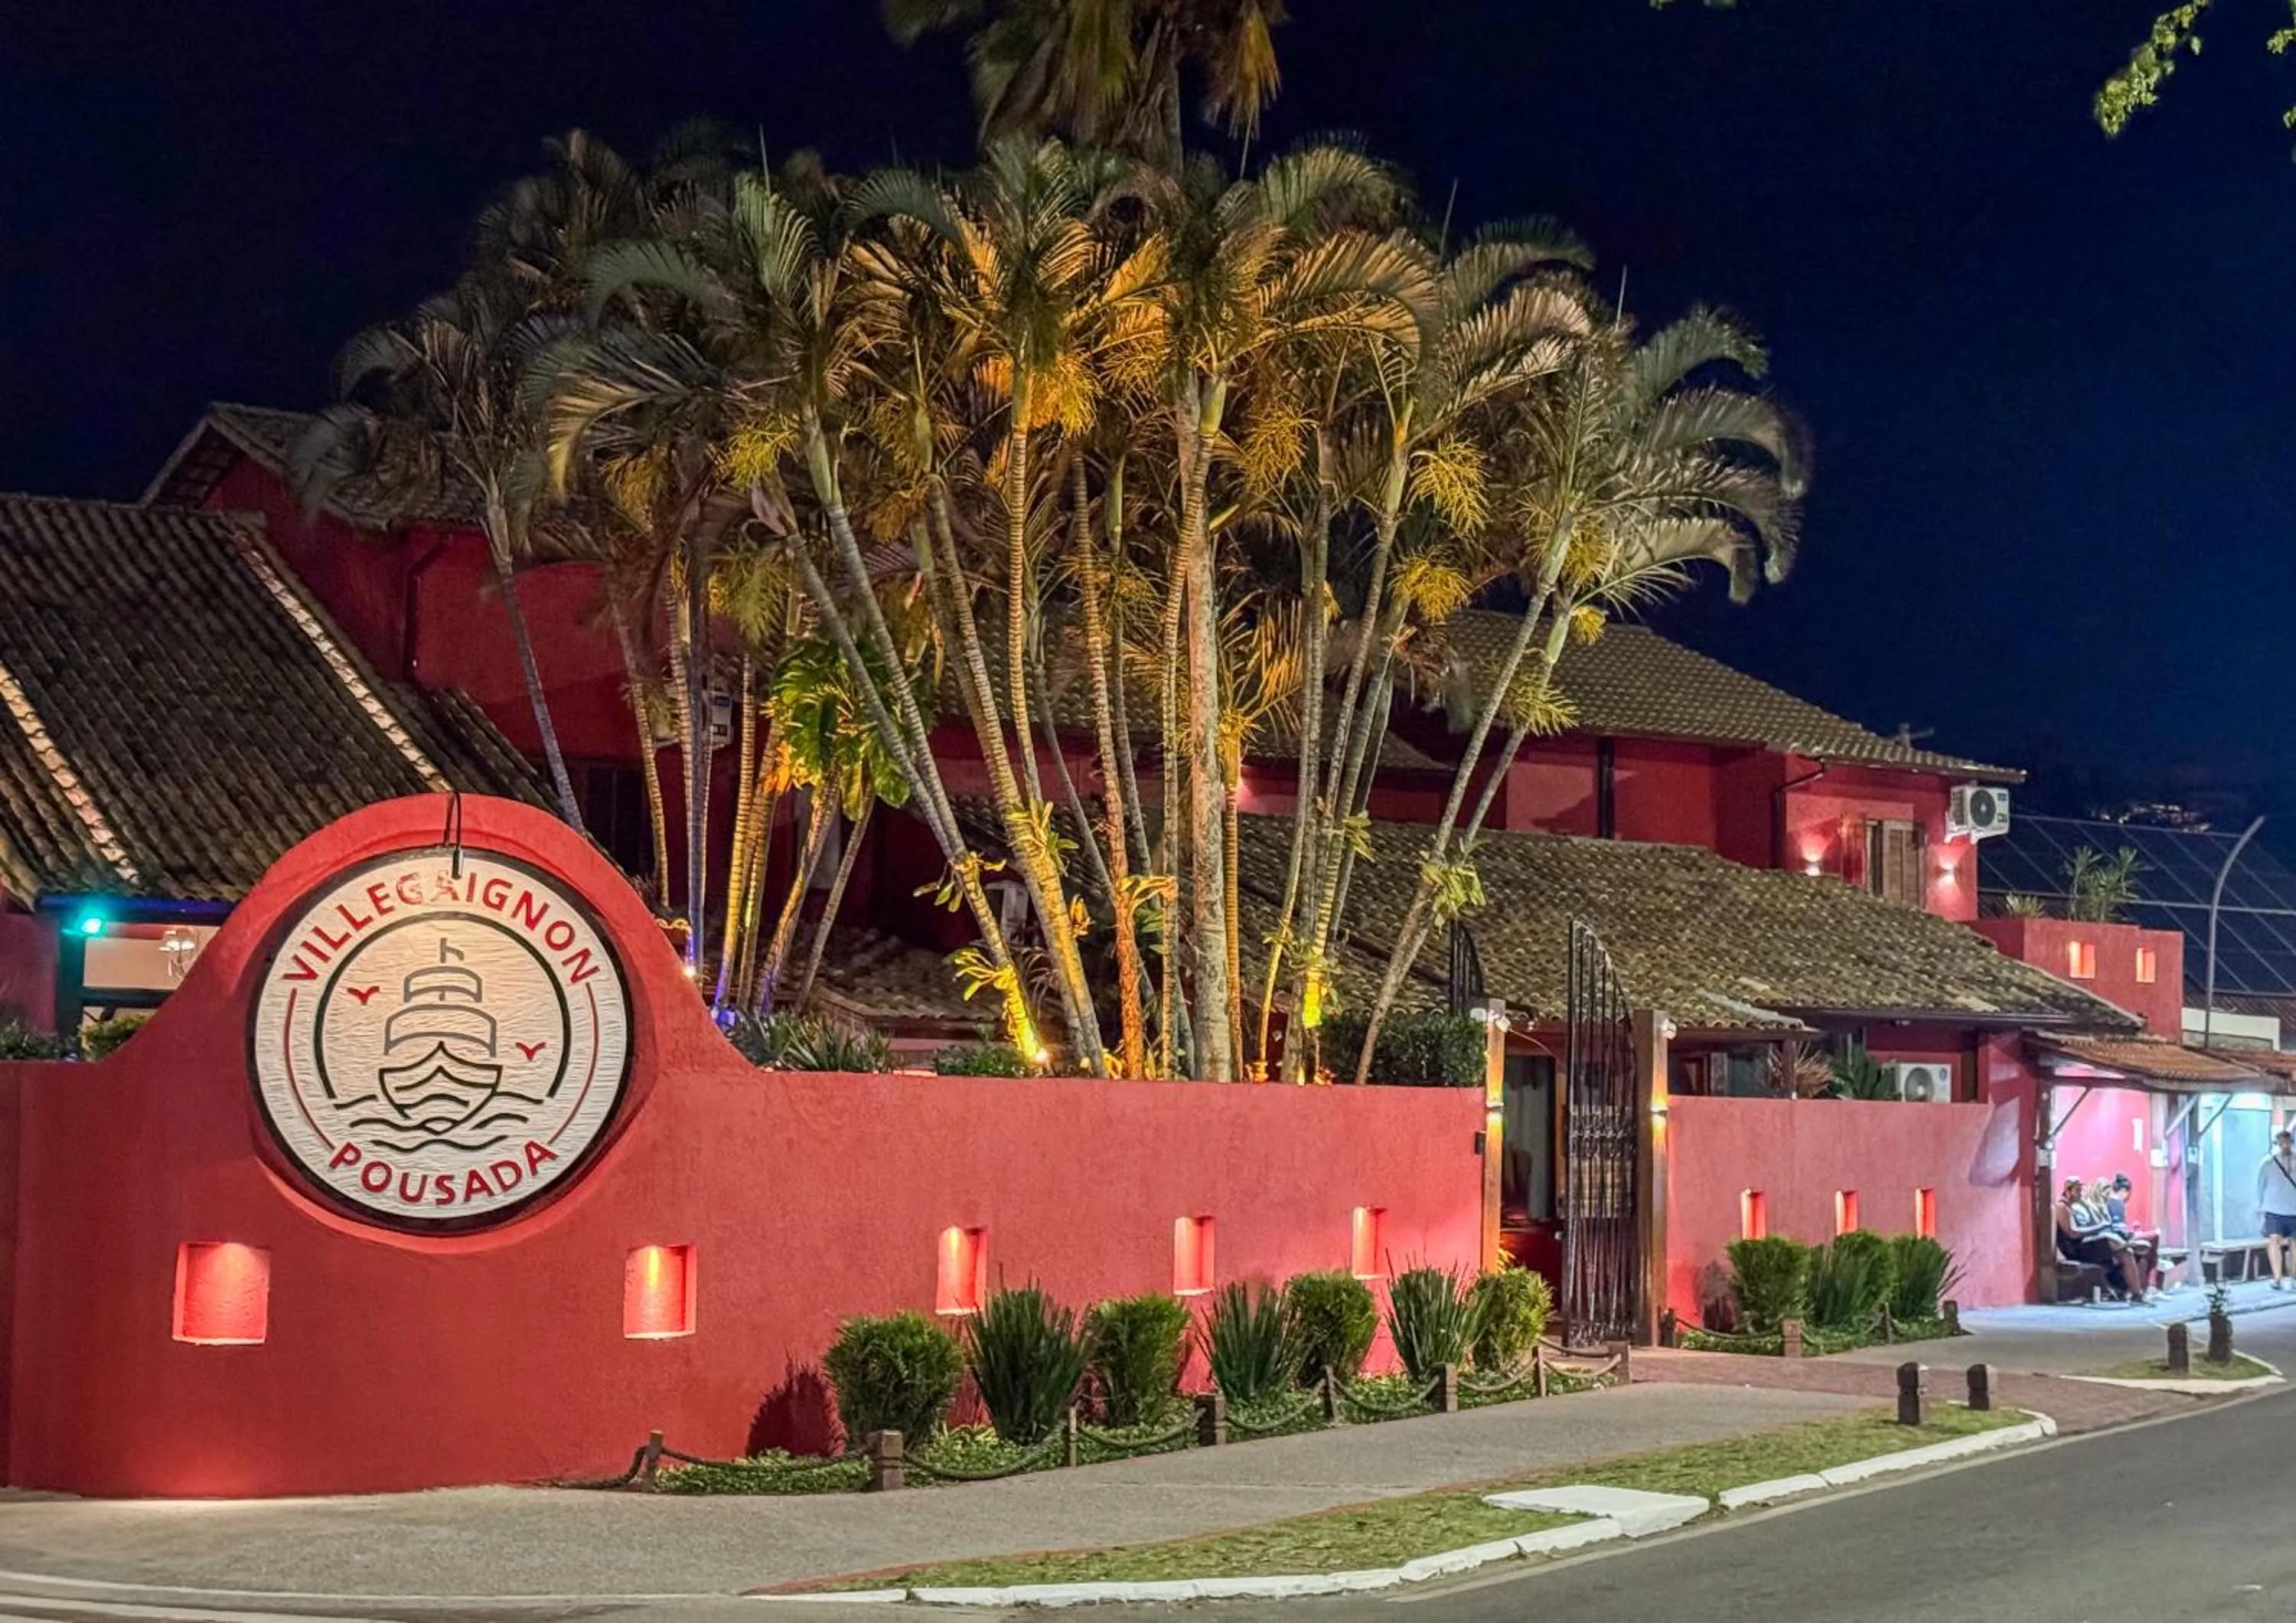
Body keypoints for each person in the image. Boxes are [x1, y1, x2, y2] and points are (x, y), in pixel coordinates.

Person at [2055, 1177, 2146, 1304]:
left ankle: (2133, 1293)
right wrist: (2100, 1227)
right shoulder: (2062, 1207)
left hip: (2086, 1243)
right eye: (2078, 1190)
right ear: (2069, 1191)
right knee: (2113, 1243)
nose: (2081, 1193)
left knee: (2128, 1252)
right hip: (2076, 1248)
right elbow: (2074, 1233)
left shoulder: (2075, 1205)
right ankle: (2134, 1294)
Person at [2255, 1130, 2296, 1290]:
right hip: (2273, 1208)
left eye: (2288, 1142)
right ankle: (2277, 1278)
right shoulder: (2268, 1162)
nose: (2285, 1145)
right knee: (2274, 1242)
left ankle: (2292, 1277)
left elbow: (2260, 1186)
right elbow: (2260, 1186)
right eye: (2282, 1142)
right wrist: (2259, 1207)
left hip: (2293, 1209)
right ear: (2277, 1143)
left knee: (2292, 1244)